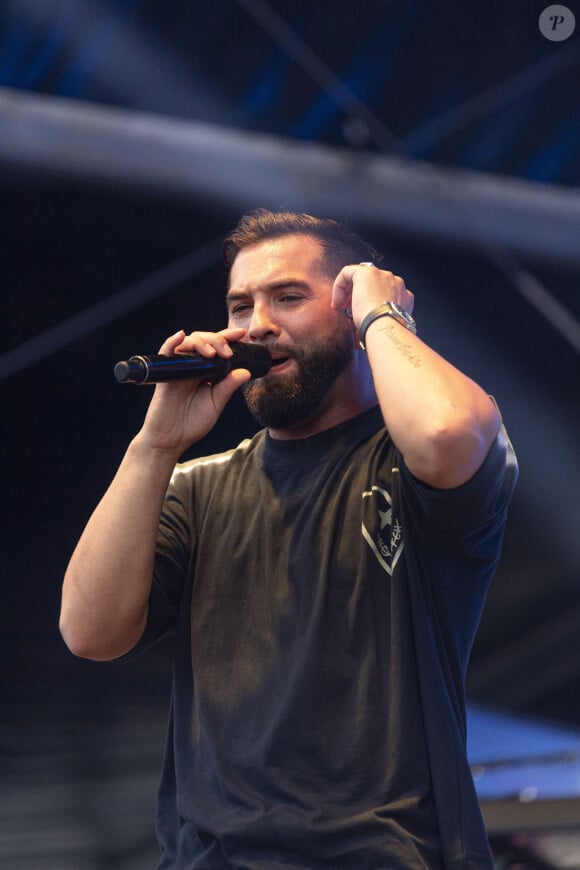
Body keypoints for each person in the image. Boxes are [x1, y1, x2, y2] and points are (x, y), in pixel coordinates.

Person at [60, 209, 518, 869]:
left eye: (289, 297)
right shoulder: (198, 487)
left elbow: (446, 433)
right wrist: (154, 446)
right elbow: (88, 631)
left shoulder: (407, 462)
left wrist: (383, 316)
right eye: (240, 305)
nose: (256, 324)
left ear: (348, 310)